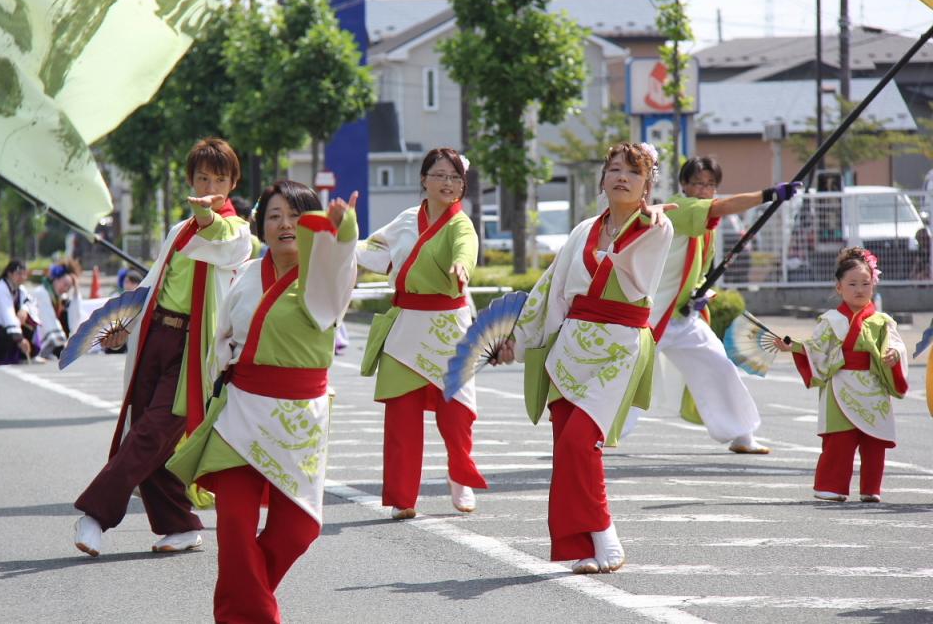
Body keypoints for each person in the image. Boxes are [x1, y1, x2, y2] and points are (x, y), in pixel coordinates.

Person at [168, 181, 358, 624]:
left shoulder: (324, 279)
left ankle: (241, 605)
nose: (285, 224)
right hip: (240, 413)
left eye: (296, 215)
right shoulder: (248, 274)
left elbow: (341, 260)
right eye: (274, 216)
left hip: (298, 419)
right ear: (262, 225)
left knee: (299, 529)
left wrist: (343, 228)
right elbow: (222, 340)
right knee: (235, 525)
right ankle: (249, 614)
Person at [493, 142, 676, 574]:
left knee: (581, 442)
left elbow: (631, 273)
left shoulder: (657, 227)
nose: (622, 177)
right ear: (602, 178)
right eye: (614, 169)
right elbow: (551, 289)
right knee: (566, 449)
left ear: (647, 184)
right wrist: (517, 339)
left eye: (634, 172)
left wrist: (645, 219)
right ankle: (582, 545)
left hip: (620, 347)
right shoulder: (582, 230)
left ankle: (605, 532)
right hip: (571, 347)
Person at [72, 137, 254, 557]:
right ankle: (180, 524)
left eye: (219, 179)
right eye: (202, 178)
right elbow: (152, 285)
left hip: (195, 348)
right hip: (155, 336)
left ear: (233, 183)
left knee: (151, 433)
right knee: (149, 435)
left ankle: (96, 515)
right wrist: (124, 327)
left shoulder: (238, 231)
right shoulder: (178, 230)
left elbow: (225, 243)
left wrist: (207, 217)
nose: (210, 187)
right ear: (190, 180)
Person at [627, 156, 802, 454]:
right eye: (698, 183)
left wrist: (699, 293)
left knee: (719, 366)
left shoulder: (706, 223)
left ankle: (741, 434)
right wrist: (768, 195)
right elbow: (721, 207)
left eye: (710, 185)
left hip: (681, 316)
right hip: (651, 316)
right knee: (626, 373)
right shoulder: (679, 207)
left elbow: (697, 268)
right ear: (684, 184)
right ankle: (597, 430)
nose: (704, 190)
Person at [357, 147, 486, 520]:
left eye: (455, 177)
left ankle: (459, 475)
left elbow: (465, 249)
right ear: (424, 179)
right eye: (440, 175)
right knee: (402, 415)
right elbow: (374, 249)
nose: (448, 183)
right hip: (406, 328)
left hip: (448, 328)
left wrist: (462, 266)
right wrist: (341, 243)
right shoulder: (405, 219)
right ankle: (403, 497)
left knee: (457, 414)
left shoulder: (461, 224)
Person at [775, 247, 908, 503]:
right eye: (852, 284)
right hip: (840, 383)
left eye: (866, 284)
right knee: (840, 439)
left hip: (873, 385)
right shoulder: (831, 320)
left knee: (875, 440)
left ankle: (871, 488)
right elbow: (816, 347)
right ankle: (831, 487)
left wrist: (894, 354)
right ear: (839, 287)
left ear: (873, 285)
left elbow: (896, 344)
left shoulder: (882, 321)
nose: (860, 289)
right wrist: (793, 347)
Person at [32, 260, 82, 359]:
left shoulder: (60, 297)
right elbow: (47, 318)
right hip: (35, 332)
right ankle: (54, 346)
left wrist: (76, 290)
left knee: (65, 310)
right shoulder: (42, 292)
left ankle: (56, 345)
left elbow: (75, 312)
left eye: (69, 287)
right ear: (56, 279)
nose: (66, 289)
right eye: (65, 284)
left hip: (47, 332)